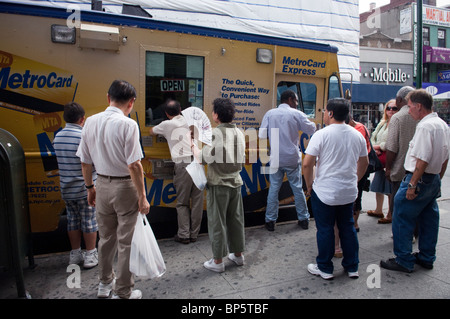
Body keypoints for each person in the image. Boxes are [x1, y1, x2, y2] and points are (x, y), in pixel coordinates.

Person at [77, 80, 150, 299]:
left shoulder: (90, 122)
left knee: (106, 239)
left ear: (108, 97)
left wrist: (90, 187)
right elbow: (134, 165)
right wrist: (143, 196)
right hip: (125, 187)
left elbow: (85, 162)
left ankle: (104, 285)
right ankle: (123, 291)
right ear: (132, 103)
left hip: (102, 185)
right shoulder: (128, 125)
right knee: (126, 242)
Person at [380, 89, 449, 273]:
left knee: (401, 215)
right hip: (432, 178)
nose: (408, 110)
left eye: (410, 107)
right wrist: (436, 179)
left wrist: (412, 184)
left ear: (419, 106)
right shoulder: (442, 124)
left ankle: (403, 259)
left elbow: (422, 159)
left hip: (418, 178)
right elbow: (444, 157)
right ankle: (426, 256)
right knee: (428, 219)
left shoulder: (425, 126)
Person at [303, 98, 368, 280]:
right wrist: (355, 180)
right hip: (348, 191)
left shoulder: (321, 134)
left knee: (325, 229)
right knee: (348, 227)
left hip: (325, 192)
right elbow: (365, 162)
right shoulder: (357, 135)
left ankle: (324, 267)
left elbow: (307, 164)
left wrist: (309, 185)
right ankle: (352, 266)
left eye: (325, 111)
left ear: (330, 113)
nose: (324, 114)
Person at [194, 98, 246, 273]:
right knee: (236, 220)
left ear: (216, 115)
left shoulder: (215, 134)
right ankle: (238, 255)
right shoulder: (239, 132)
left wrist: (193, 144)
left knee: (218, 222)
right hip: (236, 183)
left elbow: (203, 157)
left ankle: (217, 261)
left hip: (219, 184)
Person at [259, 89, 316, 231]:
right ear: (290, 100)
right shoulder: (296, 114)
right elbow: (311, 129)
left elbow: (261, 134)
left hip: (275, 157)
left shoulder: (270, 114)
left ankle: (270, 221)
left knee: (274, 188)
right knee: (297, 188)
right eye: (296, 101)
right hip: (291, 158)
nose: (296, 104)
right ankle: (303, 219)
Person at [149, 100, 204, 244]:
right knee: (197, 202)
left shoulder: (167, 124)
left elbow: (150, 131)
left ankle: (184, 234)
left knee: (182, 203)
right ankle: (194, 234)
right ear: (180, 110)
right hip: (198, 162)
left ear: (167, 114)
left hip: (183, 164)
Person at [53, 102, 98, 269]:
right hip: (84, 188)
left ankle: (75, 253)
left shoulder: (57, 137)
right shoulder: (83, 136)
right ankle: (90, 254)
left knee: (72, 220)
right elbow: (90, 162)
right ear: (82, 119)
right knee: (89, 220)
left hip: (66, 187)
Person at [384, 86, 416, 224]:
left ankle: (401, 233)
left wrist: (388, 168)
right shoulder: (421, 117)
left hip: (400, 170)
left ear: (398, 99)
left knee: (399, 205)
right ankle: (415, 233)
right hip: (418, 171)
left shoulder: (397, 118)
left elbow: (391, 147)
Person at [366, 99, 398, 222]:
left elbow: (393, 141)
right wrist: (374, 147)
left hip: (389, 159)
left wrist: (379, 147)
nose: (391, 111)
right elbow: (373, 137)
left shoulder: (397, 123)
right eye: (388, 108)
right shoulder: (383, 122)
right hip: (379, 158)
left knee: (389, 188)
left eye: (394, 108)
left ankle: (390, 214)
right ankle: (378, 210)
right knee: (378, 185)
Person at [346, 115, 370, 232]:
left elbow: (361, 156)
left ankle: (354, 223)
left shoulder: (358, 130)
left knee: (356, 195)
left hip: (358, 168)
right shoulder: (356, 128)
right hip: (355, 167)